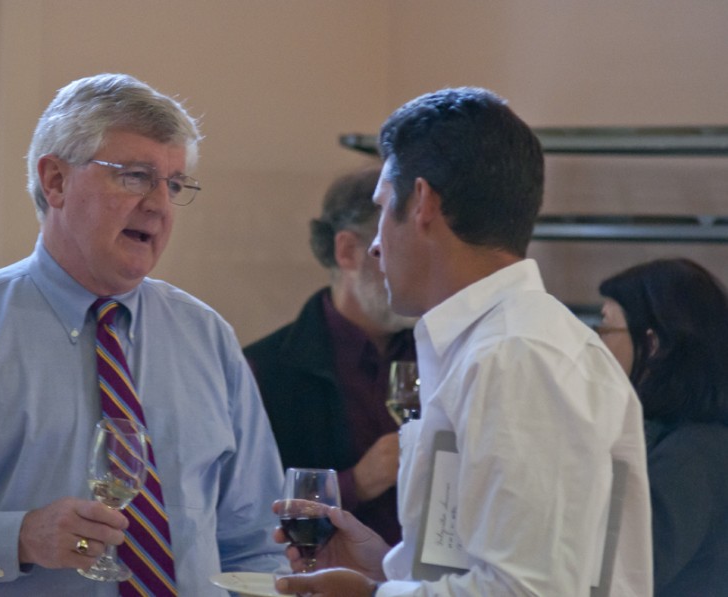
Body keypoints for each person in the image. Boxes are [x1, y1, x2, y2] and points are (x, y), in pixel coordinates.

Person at [0, 73, 285, 596]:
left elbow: (256, 546)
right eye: (136, 176)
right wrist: (17, 537)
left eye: (174, 183)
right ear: (56, 182)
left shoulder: (208, 337)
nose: (160, 204)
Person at [273, 87, 654, 596]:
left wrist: (373, 596)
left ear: (424, 202)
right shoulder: (492, 346)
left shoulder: (519, 356)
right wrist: (388, 569)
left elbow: (530, 591)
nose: (379, 244)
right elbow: (481, 562)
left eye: (385, 208)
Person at [244, 167, 417, 546]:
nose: (413, 267)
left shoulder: (439, 351)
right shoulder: (268, 369)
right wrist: (358, 483)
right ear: (347, 251)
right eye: (396, 247)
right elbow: (249, 512)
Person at [598, 258, 728, 596]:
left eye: (606, 328)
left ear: (652, 345)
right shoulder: (690, 442)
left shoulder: (688, 460)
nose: (597, 345)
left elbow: (625, 575)